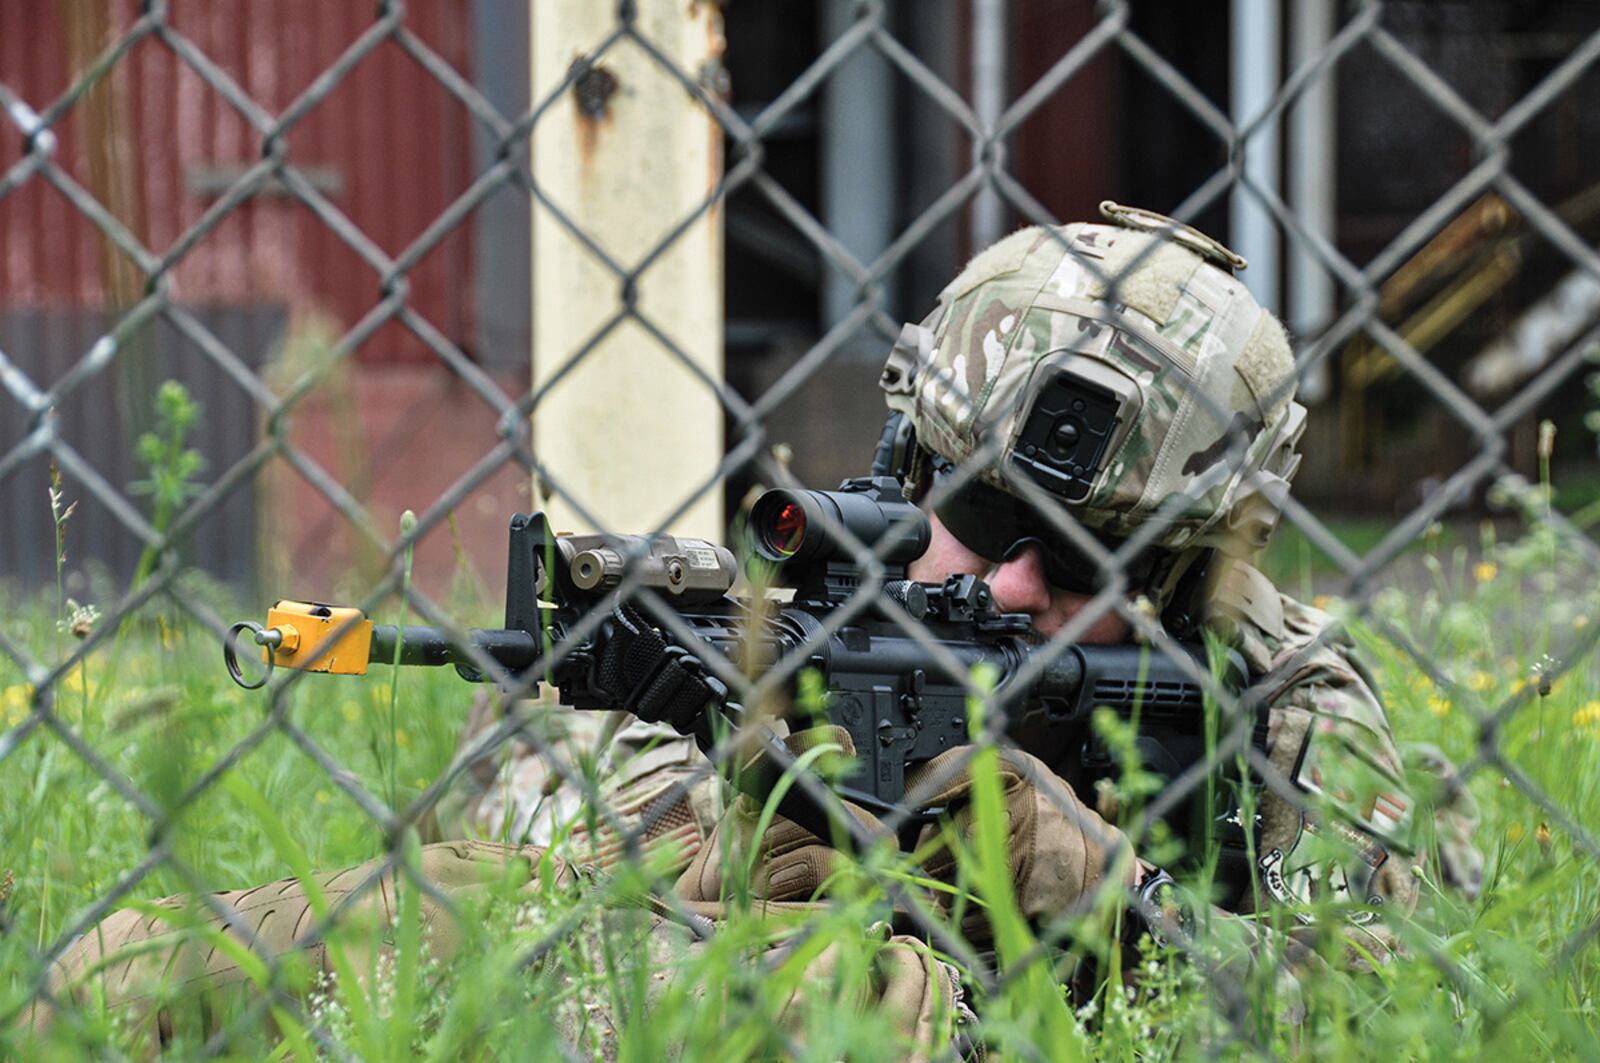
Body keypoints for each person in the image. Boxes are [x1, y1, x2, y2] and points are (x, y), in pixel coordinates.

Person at [23, 205, 1480, 1057]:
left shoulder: (1282, 700)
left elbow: (1402, 1003)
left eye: (1090, 555)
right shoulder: (833, 594)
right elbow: (540, 776)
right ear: (907, 471)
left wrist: (1098, 884)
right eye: (968, 508)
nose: (1009, 586)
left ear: (1192, 571)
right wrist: (739, 774)